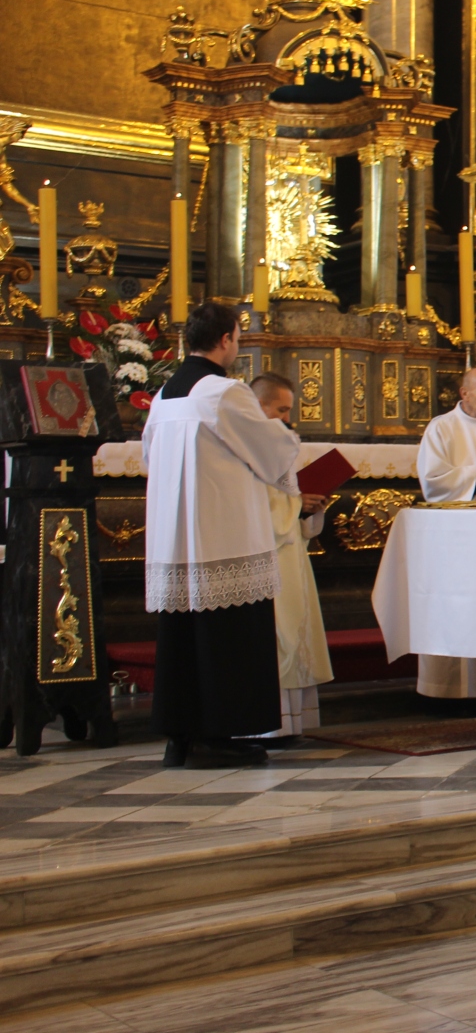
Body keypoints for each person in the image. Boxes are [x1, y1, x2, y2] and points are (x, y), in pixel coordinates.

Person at [143, 302, 301, 769]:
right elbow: (271, 451)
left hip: (177, 539)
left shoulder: (164, 394)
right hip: (223, 534)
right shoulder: (225, 392)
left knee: (183, 638)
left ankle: (181, 737)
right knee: (226, 640)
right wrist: (286, 433)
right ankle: (216, 735)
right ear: (226, 339)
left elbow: (150, 457)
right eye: (237, 338)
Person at [415, 365, 476, 701]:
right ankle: (446, 690)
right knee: (453, 609)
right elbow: (433, 484)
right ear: (464, 393)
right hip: (452, 539)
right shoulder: (441, 428)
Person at [250, 372, 332, 737]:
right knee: (278, 634)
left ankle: (295, 720)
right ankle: (272, 725)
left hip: (290, 551)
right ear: (258, 406)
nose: (287, 418)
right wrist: (296, 505)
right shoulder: (246, 446)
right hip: (266, 554)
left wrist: (308, 507)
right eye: (281, 410)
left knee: (295, 630)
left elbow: (285, 499)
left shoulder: (279, 444)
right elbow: (253, 505)